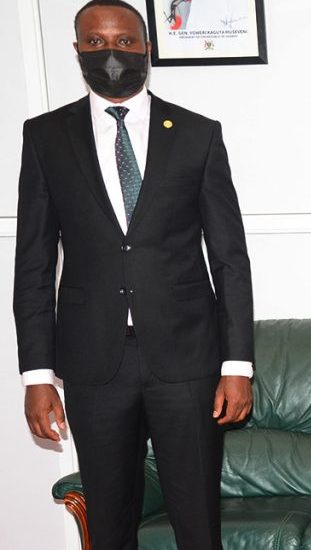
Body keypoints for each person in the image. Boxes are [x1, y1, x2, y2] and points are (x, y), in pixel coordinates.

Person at [14, 1, 254, 548]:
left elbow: (229, 258)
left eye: (123, 40)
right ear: (77, 51)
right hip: (94, 362)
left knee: (197, 521)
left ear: (147, 46)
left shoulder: (198, 134)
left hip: (188, 358)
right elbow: (32, 263)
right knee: (111, 520)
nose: (111, 53)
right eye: (95, 43)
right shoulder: (46, 137)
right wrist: (37, 376)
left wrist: (237, 363)